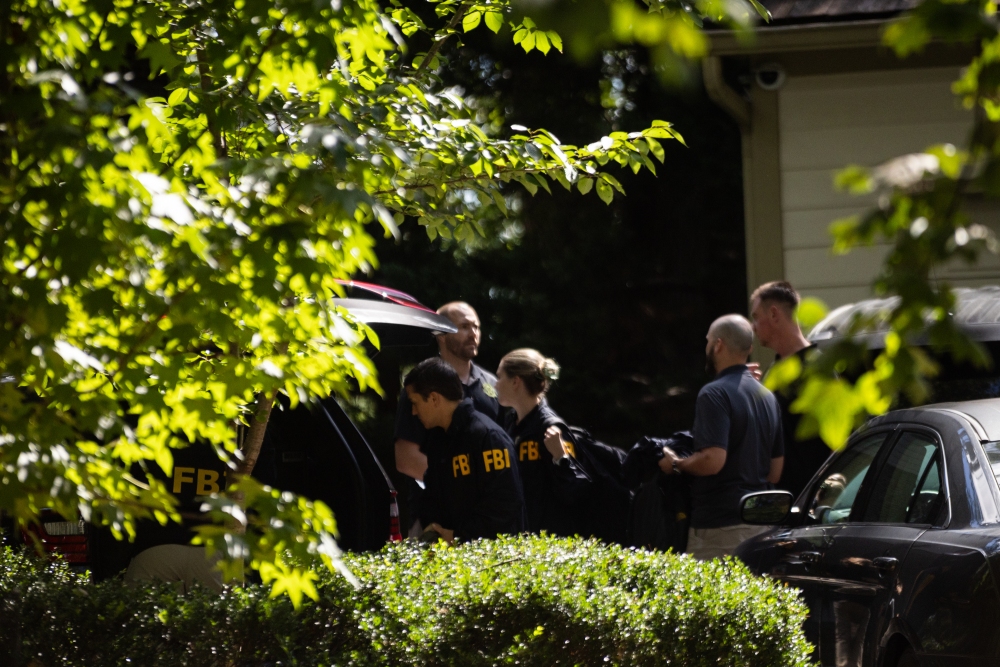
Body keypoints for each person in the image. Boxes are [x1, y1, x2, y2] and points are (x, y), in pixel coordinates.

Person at [659, 314, 784, 560]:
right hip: (761, 527)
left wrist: (675, 463)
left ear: (718, 345)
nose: (706, 347)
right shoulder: (768, 397)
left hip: (719, 528)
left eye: (707, 341)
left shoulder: (713, 393)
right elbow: (774, 472)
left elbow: (713, 460)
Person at [394, 301, 503, 534]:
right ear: (441, 334)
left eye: (476, 327)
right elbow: (405, 458)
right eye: (464, 326)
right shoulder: (420, 387)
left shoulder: (493, 386)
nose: (473, 333)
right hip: (434, 520)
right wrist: (460, 483)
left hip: (485, 522)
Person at [404, 357, 524, 542]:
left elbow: (504, 506)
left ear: (434, 398)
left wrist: (459, 536)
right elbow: (432, 499)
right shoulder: (439, 440)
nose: (413, 411)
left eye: (415, 402)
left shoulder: (488, 437)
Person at [749, 281, 832, 499]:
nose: (753, 326)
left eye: (756, 317)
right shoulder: (774, 370)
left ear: (774, 314)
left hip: (809, 505)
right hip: (778, 503)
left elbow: (836, 441)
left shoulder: (818, 369)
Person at [495, 349, 591, 536]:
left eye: (500, 377)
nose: (495, 384)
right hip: (517, 537)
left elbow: (576, 492)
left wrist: (560, 458)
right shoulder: (509, 423)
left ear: (516, 382)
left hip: (546, 542)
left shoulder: (551, 428)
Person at [124, 444, 231, 592]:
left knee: (145, 614)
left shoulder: (151, 432)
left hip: (155, 546)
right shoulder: (242, 432)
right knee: (218, 614)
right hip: (215, 551)